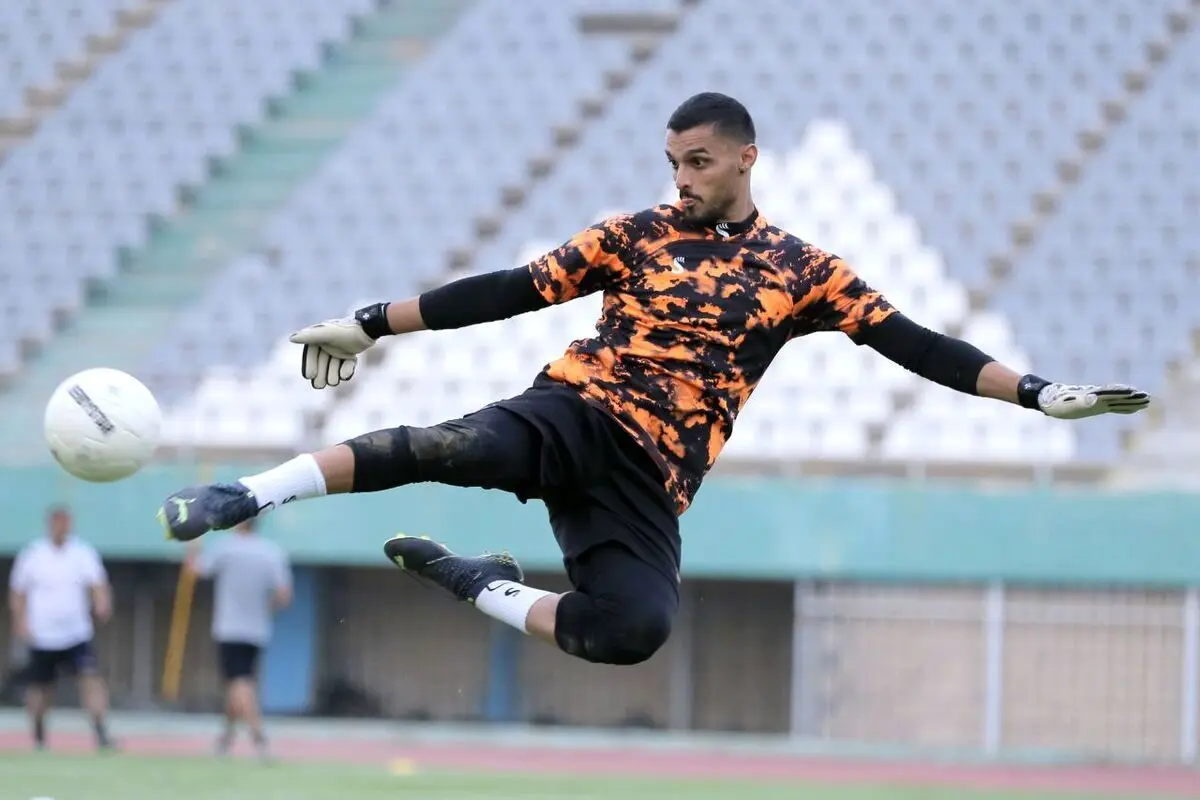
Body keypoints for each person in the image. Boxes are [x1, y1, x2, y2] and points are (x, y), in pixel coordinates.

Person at [157, 92, 1150, 668]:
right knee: (449, 446)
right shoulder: (635, 234)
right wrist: (372, 321)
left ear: (747, 159)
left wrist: (1033, 391)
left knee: (633, 631)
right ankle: (246, 492)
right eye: (674, 161)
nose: (682, 177)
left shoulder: (805, 271)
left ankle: (472, 579)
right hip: (577, 411)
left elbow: (917, 344)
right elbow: (509, 289)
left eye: (700, 162)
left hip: (652, 479)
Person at [8, 505, 116, 750]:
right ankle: (38, 734)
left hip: (76, 633)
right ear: (50, 524)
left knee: (90, 678)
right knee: (41, 688)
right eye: (57, 522)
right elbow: (18, 592)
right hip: (43, 635)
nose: (61, 527)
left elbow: (98, 583)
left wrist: (102, 602)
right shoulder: (33, 554)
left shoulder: (82, 553)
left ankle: (101, 732)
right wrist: (21, 621)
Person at [185, 517, 292, 758]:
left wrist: (191, 546)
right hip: (257, 630)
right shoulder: (271, 552)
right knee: (240, 683)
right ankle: (225, 739)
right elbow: (284, 595)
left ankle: (259, 737)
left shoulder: (226, 548)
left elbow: (196, 570)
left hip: (230, 628)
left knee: (239, 684)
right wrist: (267, 609)